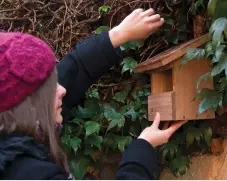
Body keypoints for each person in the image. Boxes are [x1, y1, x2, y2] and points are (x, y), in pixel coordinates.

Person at [0, 8, 186, 180]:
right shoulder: (31, 174)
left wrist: (119, 34)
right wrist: (141, 149)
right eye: (49, 87)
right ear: (27, 105)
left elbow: (70, 73)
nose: (62, 90)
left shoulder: (10, 136)